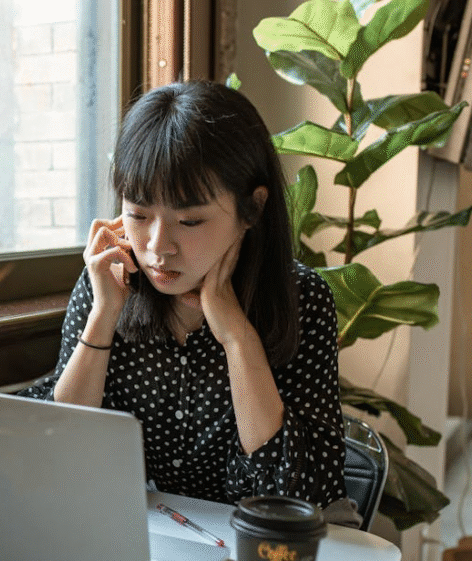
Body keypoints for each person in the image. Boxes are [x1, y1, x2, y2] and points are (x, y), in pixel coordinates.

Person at [19, 80, 348, 511]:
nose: (158, 247)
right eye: (137, 214)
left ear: (252, 209)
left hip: (258, 542)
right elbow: (57, 453)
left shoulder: (301, 300)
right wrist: (103, 316)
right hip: (147, 538)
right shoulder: (109, 282)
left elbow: (295, 496)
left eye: (189, 221)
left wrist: (236, 337)